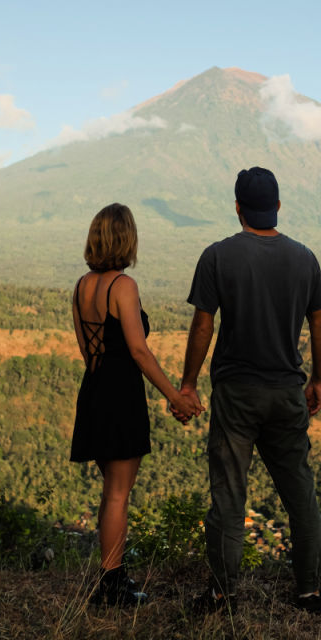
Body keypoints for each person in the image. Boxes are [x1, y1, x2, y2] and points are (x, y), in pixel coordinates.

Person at [177, 167, 321, 613]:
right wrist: (318, 379)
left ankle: (223, 593)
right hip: (287, 392)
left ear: (238, 207)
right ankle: (309, 591)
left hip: (237, 394)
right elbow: (319, 323)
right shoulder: (306, 258)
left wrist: (188, 384)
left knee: (229, 493)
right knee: (300, 492)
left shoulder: (218, 256)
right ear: (278, 207)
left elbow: (203, 324)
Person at [71, 203, 202, 607]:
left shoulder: (81, 286)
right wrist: (176, 396)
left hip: (93, 391)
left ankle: (113, 578)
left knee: (110, 492)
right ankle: (111, 586)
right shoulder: (122, 287)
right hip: (120, 396)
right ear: (127, 239)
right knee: (118, 495)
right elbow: (139, 351)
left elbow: (87, 351)